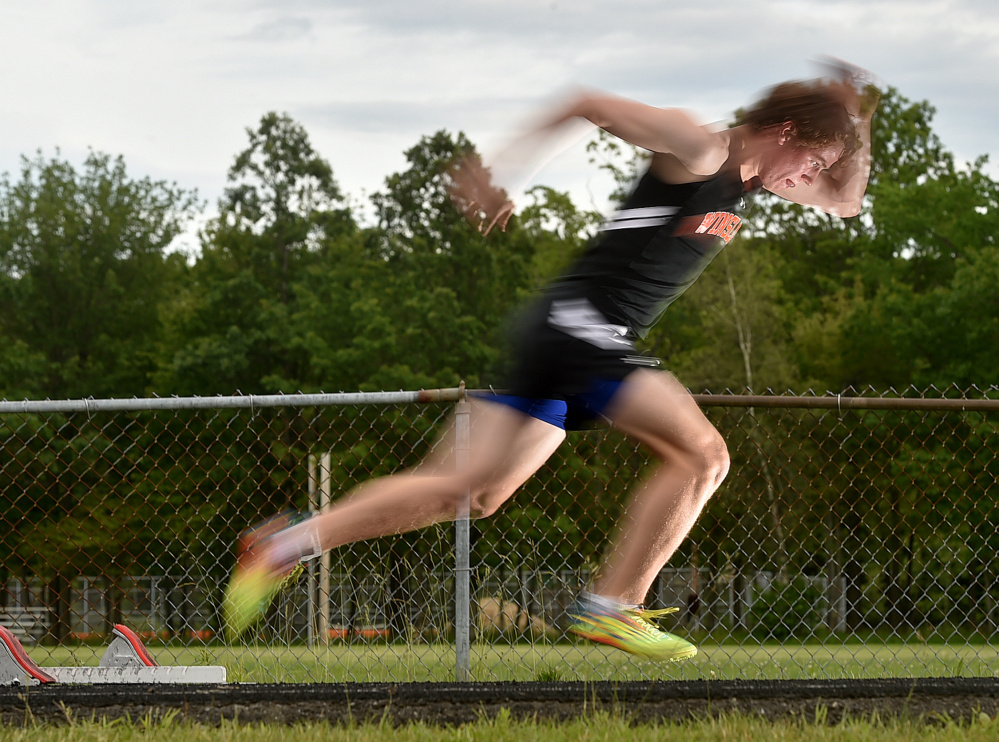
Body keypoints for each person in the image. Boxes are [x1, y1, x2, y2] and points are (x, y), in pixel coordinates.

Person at [224, 61, 879, 661]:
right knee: (703, 456)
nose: (807, 179)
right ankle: (611, 605)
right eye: (810, 161)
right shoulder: (700, 146)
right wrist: (500, 171)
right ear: (785, 130)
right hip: (582, 331)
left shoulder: (752, 179)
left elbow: (846, 199)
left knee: (473, 491)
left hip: (558, 334)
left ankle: (281, 546)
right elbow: (586, 100)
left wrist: (856, 124)